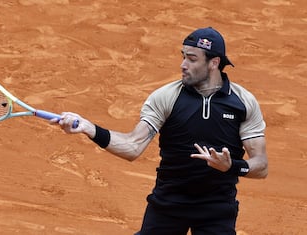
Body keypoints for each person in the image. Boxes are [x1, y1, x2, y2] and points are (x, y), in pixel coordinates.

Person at [53, 27, 268, 235]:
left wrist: (231, 167)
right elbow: (132, 147)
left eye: (192, 59)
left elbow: (261, 166)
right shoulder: (166, 97)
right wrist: (89, 128)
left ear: (214, 63)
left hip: (217, 207)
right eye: (183, 56)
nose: (183, 65)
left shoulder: (243, 102)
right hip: (169, 203)